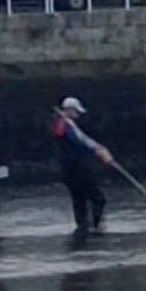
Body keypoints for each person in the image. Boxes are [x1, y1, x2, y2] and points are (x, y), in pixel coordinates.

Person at [50, 96, 113, 230]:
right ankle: (95, 227)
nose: (78, 115)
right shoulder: (62, 124)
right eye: (76, 111)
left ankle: (83, 230)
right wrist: (98, 151)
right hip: (78, 169)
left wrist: (99, 148)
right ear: (70, 110)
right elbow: (78, 141)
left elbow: (84, 139)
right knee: (98, 199)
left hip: (70, 170)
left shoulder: (69, 124)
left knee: (80, 201)